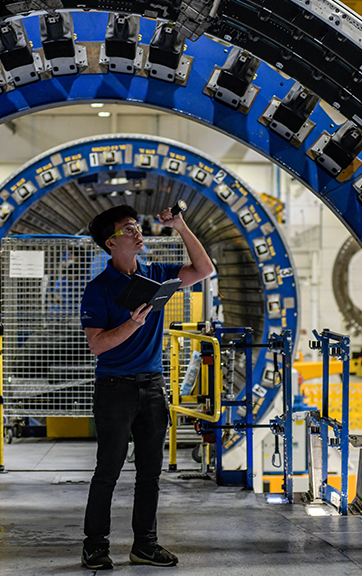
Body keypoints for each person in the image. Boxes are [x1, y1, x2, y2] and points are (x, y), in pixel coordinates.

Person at [80, 204, 214, 570]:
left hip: (152, 387)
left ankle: (145, 545)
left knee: (150, 474)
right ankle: (94, 546)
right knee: (107, 471)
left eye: (137, 226)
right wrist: (133, 324)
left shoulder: (156, 275)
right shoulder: (98, 290)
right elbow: (97, 345)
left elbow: (204, 269)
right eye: (128, 229)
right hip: (115, 388)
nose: (137, 232)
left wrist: (181, 226)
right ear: (110, 243)